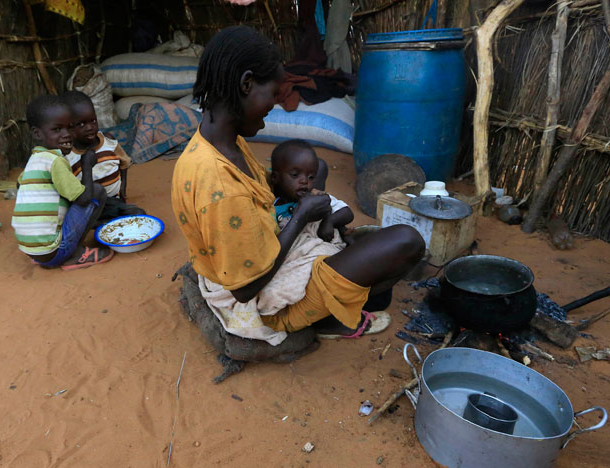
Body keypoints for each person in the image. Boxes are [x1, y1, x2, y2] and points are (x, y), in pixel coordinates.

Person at [171, 26, 424, 338]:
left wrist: (304, 203)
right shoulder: (220, 186)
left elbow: (263, 196)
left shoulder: (219, 144)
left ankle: (346, 287)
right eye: (274, 95)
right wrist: (302, 215)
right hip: (261, 302)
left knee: (315, 168)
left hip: (254, 253)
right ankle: (326, 316)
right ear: (247, 84)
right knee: (407, 242)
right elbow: (246, 289)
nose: (275, 105)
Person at [11, 94, 114, 270]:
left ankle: (52, 252)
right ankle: (75, 254)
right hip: (55, 252)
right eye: (57, 129)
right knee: (97, 192)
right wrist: (86, 166)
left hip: (33, 251)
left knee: (66, 196)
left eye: (70, 127)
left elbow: (20, 186)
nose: (67, 135)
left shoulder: (35, 160)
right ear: (37, 133)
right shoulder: (55, 161)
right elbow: (84, 199)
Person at [61, 90, 145, 221]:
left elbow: (124, 163)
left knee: (137, 213)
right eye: (81, 124)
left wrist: (123, 188)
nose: (90, 127)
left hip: (114, 200)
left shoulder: (108, 142)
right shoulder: (68, 156)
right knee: (88, 216)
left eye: (93, 120)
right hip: (90, 204)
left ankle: (103, 219)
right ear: (67, 127)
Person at [270, 139, 353, 243]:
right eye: (295, 175)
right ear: (275, 177)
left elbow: (347, 212)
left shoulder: (315, 198)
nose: (305, 181)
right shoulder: (271, 207)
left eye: (311, 177)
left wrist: (328, 222)